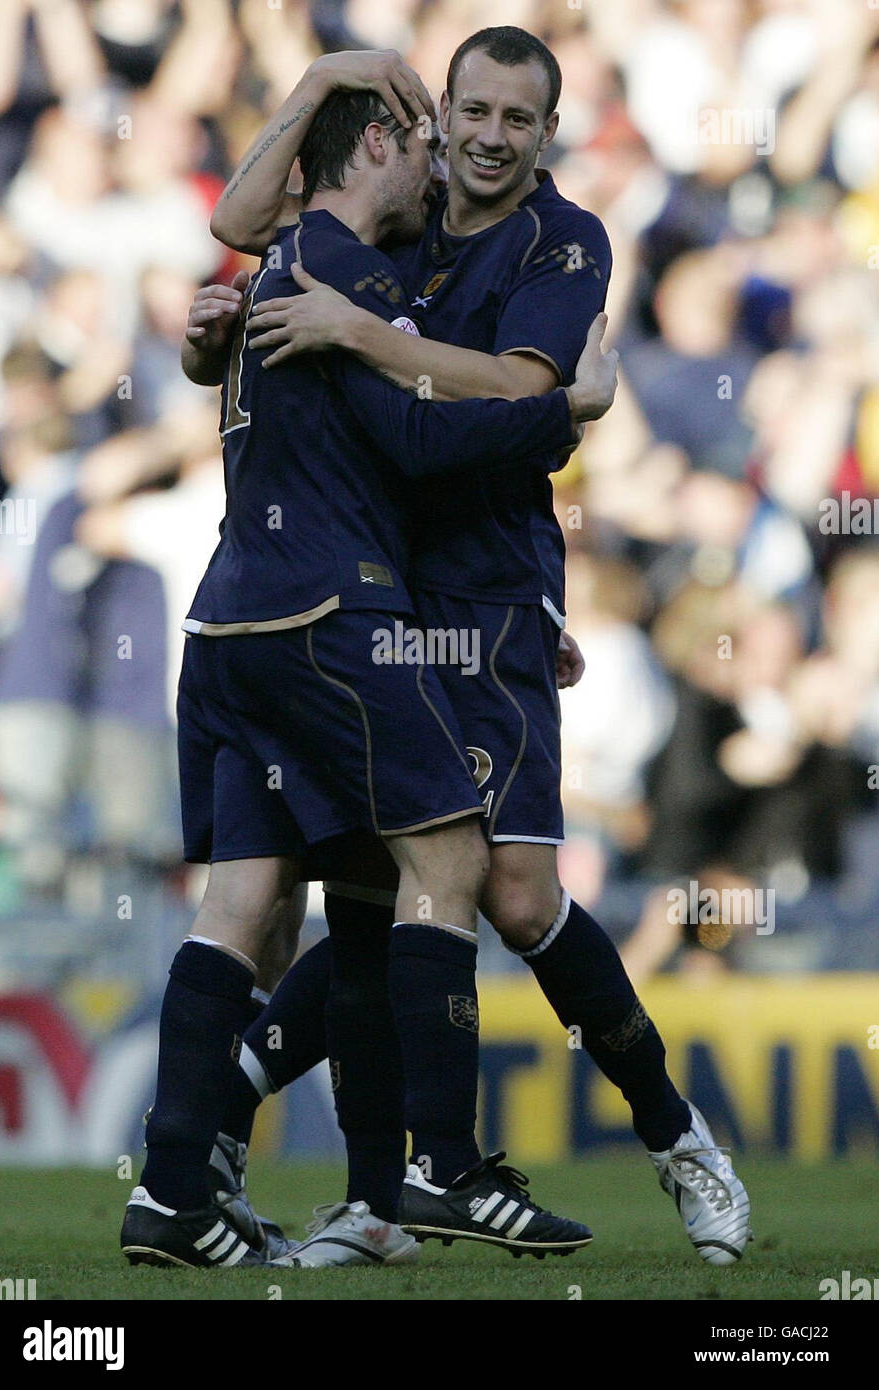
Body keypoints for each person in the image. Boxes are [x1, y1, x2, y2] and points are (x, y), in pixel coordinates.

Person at [192, 28, 751, 1270]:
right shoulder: (399, 199)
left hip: (489, 593)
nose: (494, 137)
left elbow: (511, 388)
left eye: (519, 118)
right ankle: (378, 1195)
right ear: (438, 113)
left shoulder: (566, 241)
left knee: (512, 890)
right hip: (372, 586)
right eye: (476, 111)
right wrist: (327, 81)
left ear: (549, 133)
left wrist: (359, 332)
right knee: (375, 890)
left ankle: (677, 1138)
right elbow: (241, 223)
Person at [120, 80, 613, 1270]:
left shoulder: (269, 264)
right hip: (330, 614)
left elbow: (239, 239)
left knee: (259, 906)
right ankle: (440, 1162)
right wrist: (568, 409)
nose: (445, 175)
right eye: (431, 147)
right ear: (385, 141)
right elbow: (426, 430)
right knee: (446, 860)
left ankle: (172, 1192)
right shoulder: (350, 274)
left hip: (226, 624)